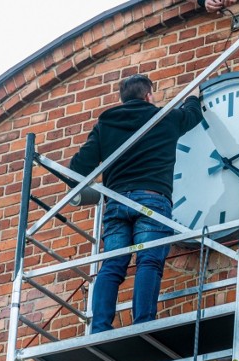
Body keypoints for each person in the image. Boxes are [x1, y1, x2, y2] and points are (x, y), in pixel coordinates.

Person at [70, 74, 203, 333]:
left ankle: (99, 327)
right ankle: (143, 322)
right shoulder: (164, 118)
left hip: (117, 202)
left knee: (112, 264)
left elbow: (78, 168)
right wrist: (193, 96)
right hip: (152, 198)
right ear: (148, 95)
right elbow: (192, 115)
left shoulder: (105, 124)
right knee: (149, 261)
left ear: (123, 98)